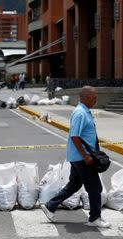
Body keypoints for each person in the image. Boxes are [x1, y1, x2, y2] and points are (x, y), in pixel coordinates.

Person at [41, 86, 111, 228]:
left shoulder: (84, 111)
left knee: (75, 184)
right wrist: (85, 156)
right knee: (95, 188)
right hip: (82, 158)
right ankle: (94, 218)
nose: (96, 100)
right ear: (85, 98)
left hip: (78, 157)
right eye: (93, 98)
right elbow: (74, 136)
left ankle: (50, 206)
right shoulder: (80, 113)